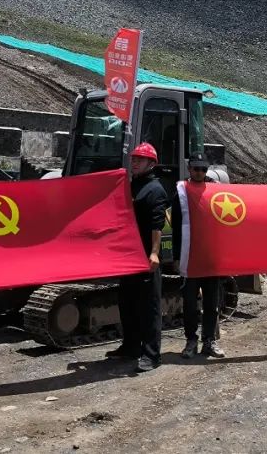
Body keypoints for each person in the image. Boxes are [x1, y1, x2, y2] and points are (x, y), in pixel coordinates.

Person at [107, 142, 168, 372]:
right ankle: (131, 346)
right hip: (128, 258)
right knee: (128, 303)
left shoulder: (155, 190)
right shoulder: (132, 186)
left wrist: (154, 253)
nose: (134, 162)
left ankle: (151, 355)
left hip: (145, 257)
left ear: (151, 164)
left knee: (149, 308)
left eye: (139, 160)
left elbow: (157, 225)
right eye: (133, 159)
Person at [173, 154, 225, 359]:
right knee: (189, 304)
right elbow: (176, 225)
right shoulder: (181, 192)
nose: (199, 173)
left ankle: (209, 341)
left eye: (203, 170)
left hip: (211, 258)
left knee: (212, 304)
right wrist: (177, 257)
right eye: (195, 169)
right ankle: (191, 341)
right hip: (190, 258)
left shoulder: (216, 192)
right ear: (189, 169)